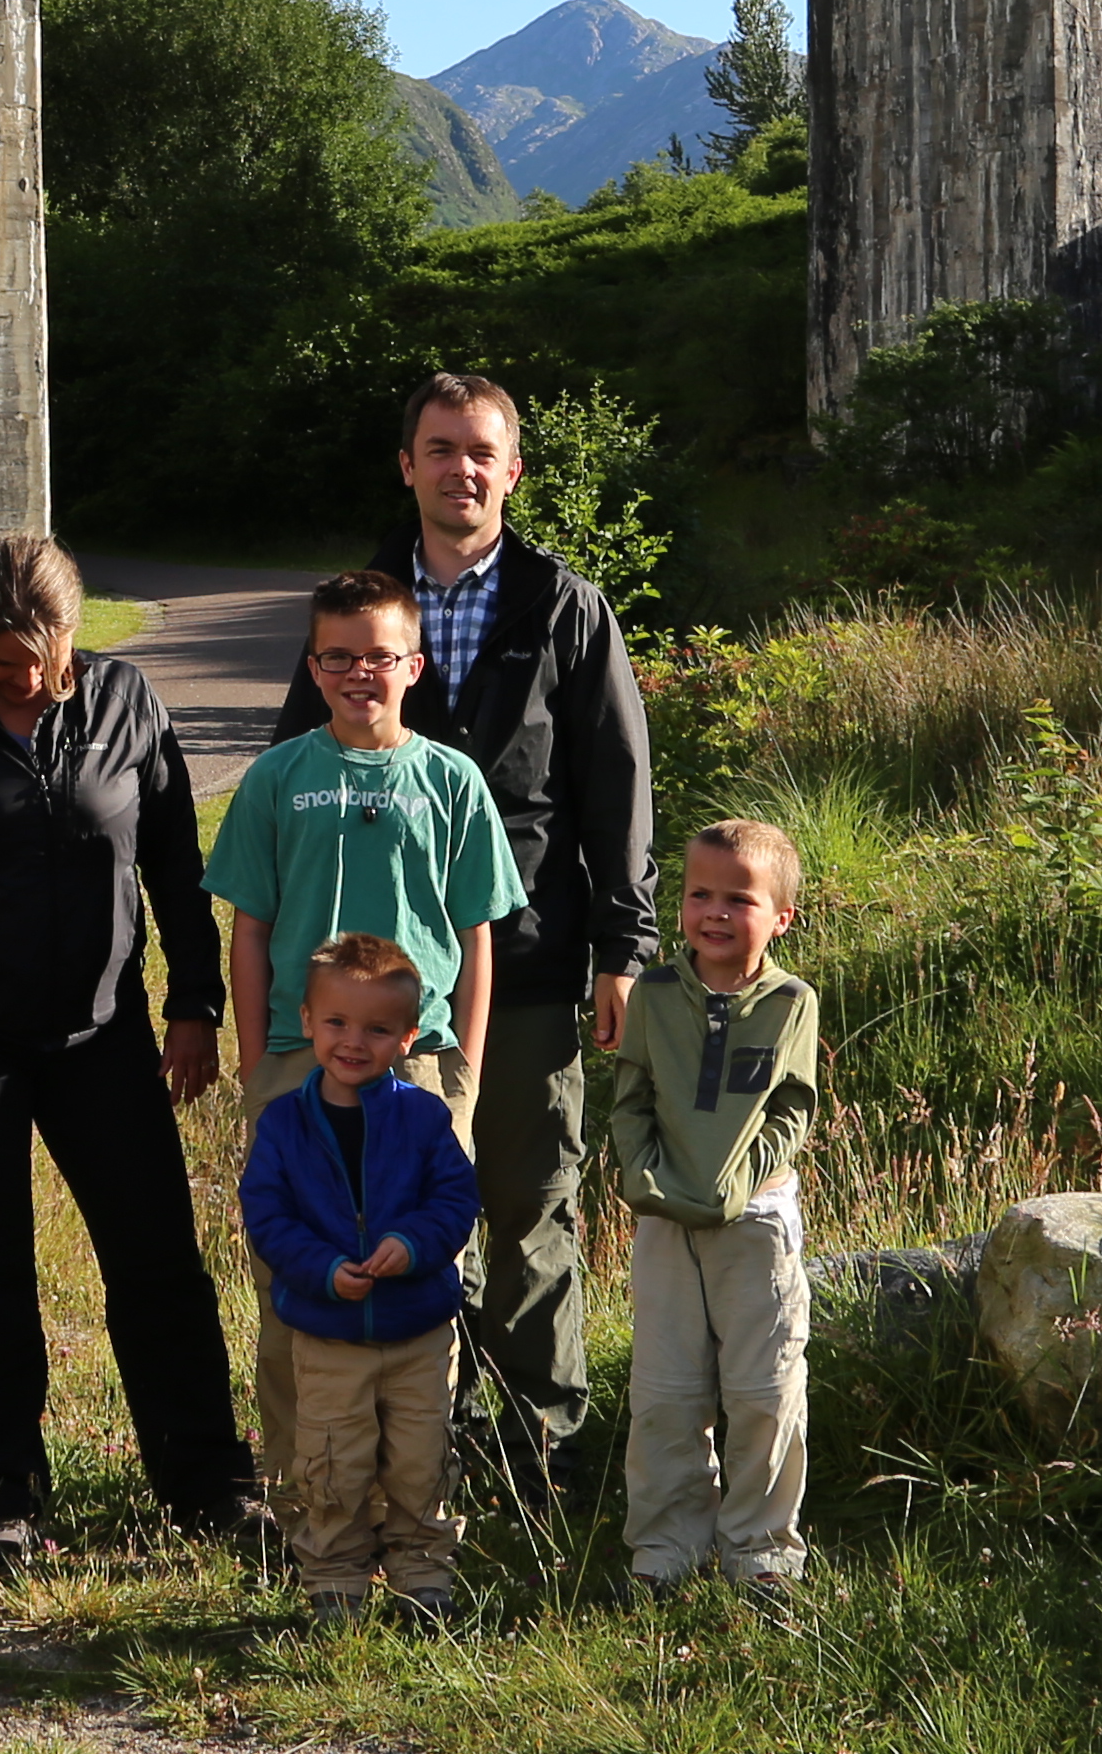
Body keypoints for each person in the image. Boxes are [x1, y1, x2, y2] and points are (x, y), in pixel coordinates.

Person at [264, 371, 656, 1499]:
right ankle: (427, 1436)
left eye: (481, 451)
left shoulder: (563, 607)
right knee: (399, 1211)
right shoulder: (359, 608)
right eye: (440, 449)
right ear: (408, 465)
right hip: (373, 993)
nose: (461, 469)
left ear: (512, 469)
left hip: (523, 962)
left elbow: (617, 789)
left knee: (529, 1204)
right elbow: (300, 778)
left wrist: (620, 949)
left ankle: (542, 1442)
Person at [0, 533, 256, 1567]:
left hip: (101, 1031)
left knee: (157, 1258)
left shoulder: (126, 704)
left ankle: (209, 1484)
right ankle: (5, 1497)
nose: (23, 677)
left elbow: (171, 859)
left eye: (40, 654)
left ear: (72, 629)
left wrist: (193, 1004)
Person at [206, 567, 518, 1482]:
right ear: (313, 667)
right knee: (295, 1278)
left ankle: (414, 1497)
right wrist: (257, 1065)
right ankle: (302, 1498)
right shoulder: (276, 778)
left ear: (413, 666)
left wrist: (465, 1069)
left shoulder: (452, 781)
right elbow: (251, 929)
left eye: (378, 657)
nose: (358, 675)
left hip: (419, 1070)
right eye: (337, 658)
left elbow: (476, 935)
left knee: (422, 1272)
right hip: (299, 1067)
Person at [236, 932, 485, 1628]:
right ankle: (337, 1584)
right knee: (331, 1463)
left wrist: (411, 1246)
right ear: (308, 1022)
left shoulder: (424, 1117)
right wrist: (320, 1269)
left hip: (417, 1334)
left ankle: (422, 1581)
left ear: (408, 1037)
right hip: (326, 1333)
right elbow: (267, 1214)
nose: (354, 1042)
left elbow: (455, 1202)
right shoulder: (285, 1125)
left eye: (377, 1029)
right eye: (337, 1023)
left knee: (419, 1462)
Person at [606, 814, 820, 1610]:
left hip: (754, 1223)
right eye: (700, 895)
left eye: (740, 899)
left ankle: (761, 1549)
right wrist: (644, 1177)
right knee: (666, 1391)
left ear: (780, 916)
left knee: (764, 1389)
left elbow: (792, 1111)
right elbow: (630, 1101)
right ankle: (666, 1545)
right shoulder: (657, 994)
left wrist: (740, 1185)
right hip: (664, 1219)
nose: (716, 914)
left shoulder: (792, 1002)